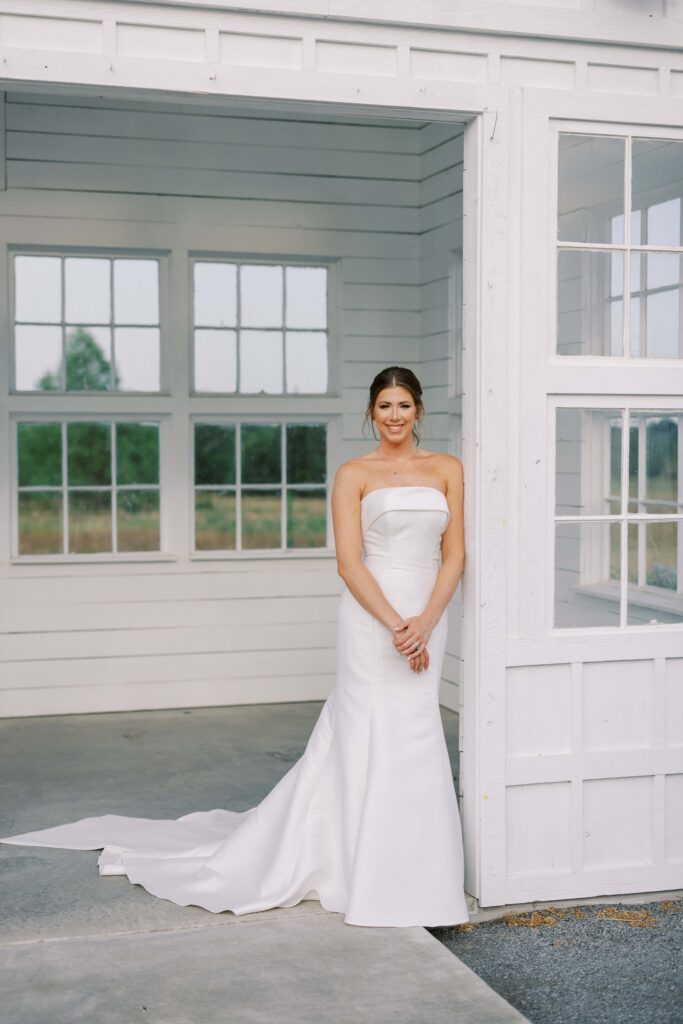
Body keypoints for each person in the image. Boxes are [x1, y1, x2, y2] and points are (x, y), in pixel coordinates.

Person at [1, 366, 469, 928]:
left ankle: (417, 871)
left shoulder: (447, 470)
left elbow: (456, 555)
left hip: (428, 613)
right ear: (370, 412)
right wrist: (398, 626)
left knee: (415, 730)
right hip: (374, 621)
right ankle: (357, 864)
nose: (394, 417)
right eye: (384, 406)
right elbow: (348, 563)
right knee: (368, 729)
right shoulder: (354, 474)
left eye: (404, 406)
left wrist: (426, 621)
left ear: (419, 410)